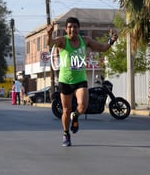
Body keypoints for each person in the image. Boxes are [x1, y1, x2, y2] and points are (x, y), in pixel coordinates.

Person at [47, 17, 118, 147]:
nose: (72, 29)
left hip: (80, 80)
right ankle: (65, 134)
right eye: (70, 27)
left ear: (79, 29)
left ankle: (76, 115)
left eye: (75, 27)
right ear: (66, 29)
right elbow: (50, 42)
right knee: (66, 110)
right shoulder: (63, 41)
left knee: (82, 106)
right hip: (65, 80)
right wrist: (49, 33)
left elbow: (103, 48)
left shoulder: (85, 41)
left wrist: (111, 41)